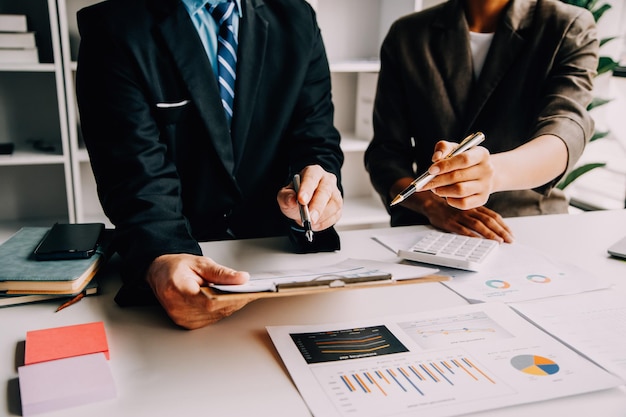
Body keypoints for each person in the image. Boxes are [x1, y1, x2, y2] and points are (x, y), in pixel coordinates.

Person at [75, 0, 344, 329]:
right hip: (176, 265)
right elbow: (133, 171)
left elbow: (315, 138)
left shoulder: (296, 15)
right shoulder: (116, 25)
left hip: (277, 264)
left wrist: (317, 187)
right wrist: (163, 256)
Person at [365, 0, 599, 244]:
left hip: (523, 226)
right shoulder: (408, 34)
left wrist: (494, 173)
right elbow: (386, 153)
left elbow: (565, 130)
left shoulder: (567, 26)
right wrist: (431, 205)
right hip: (429, 227)